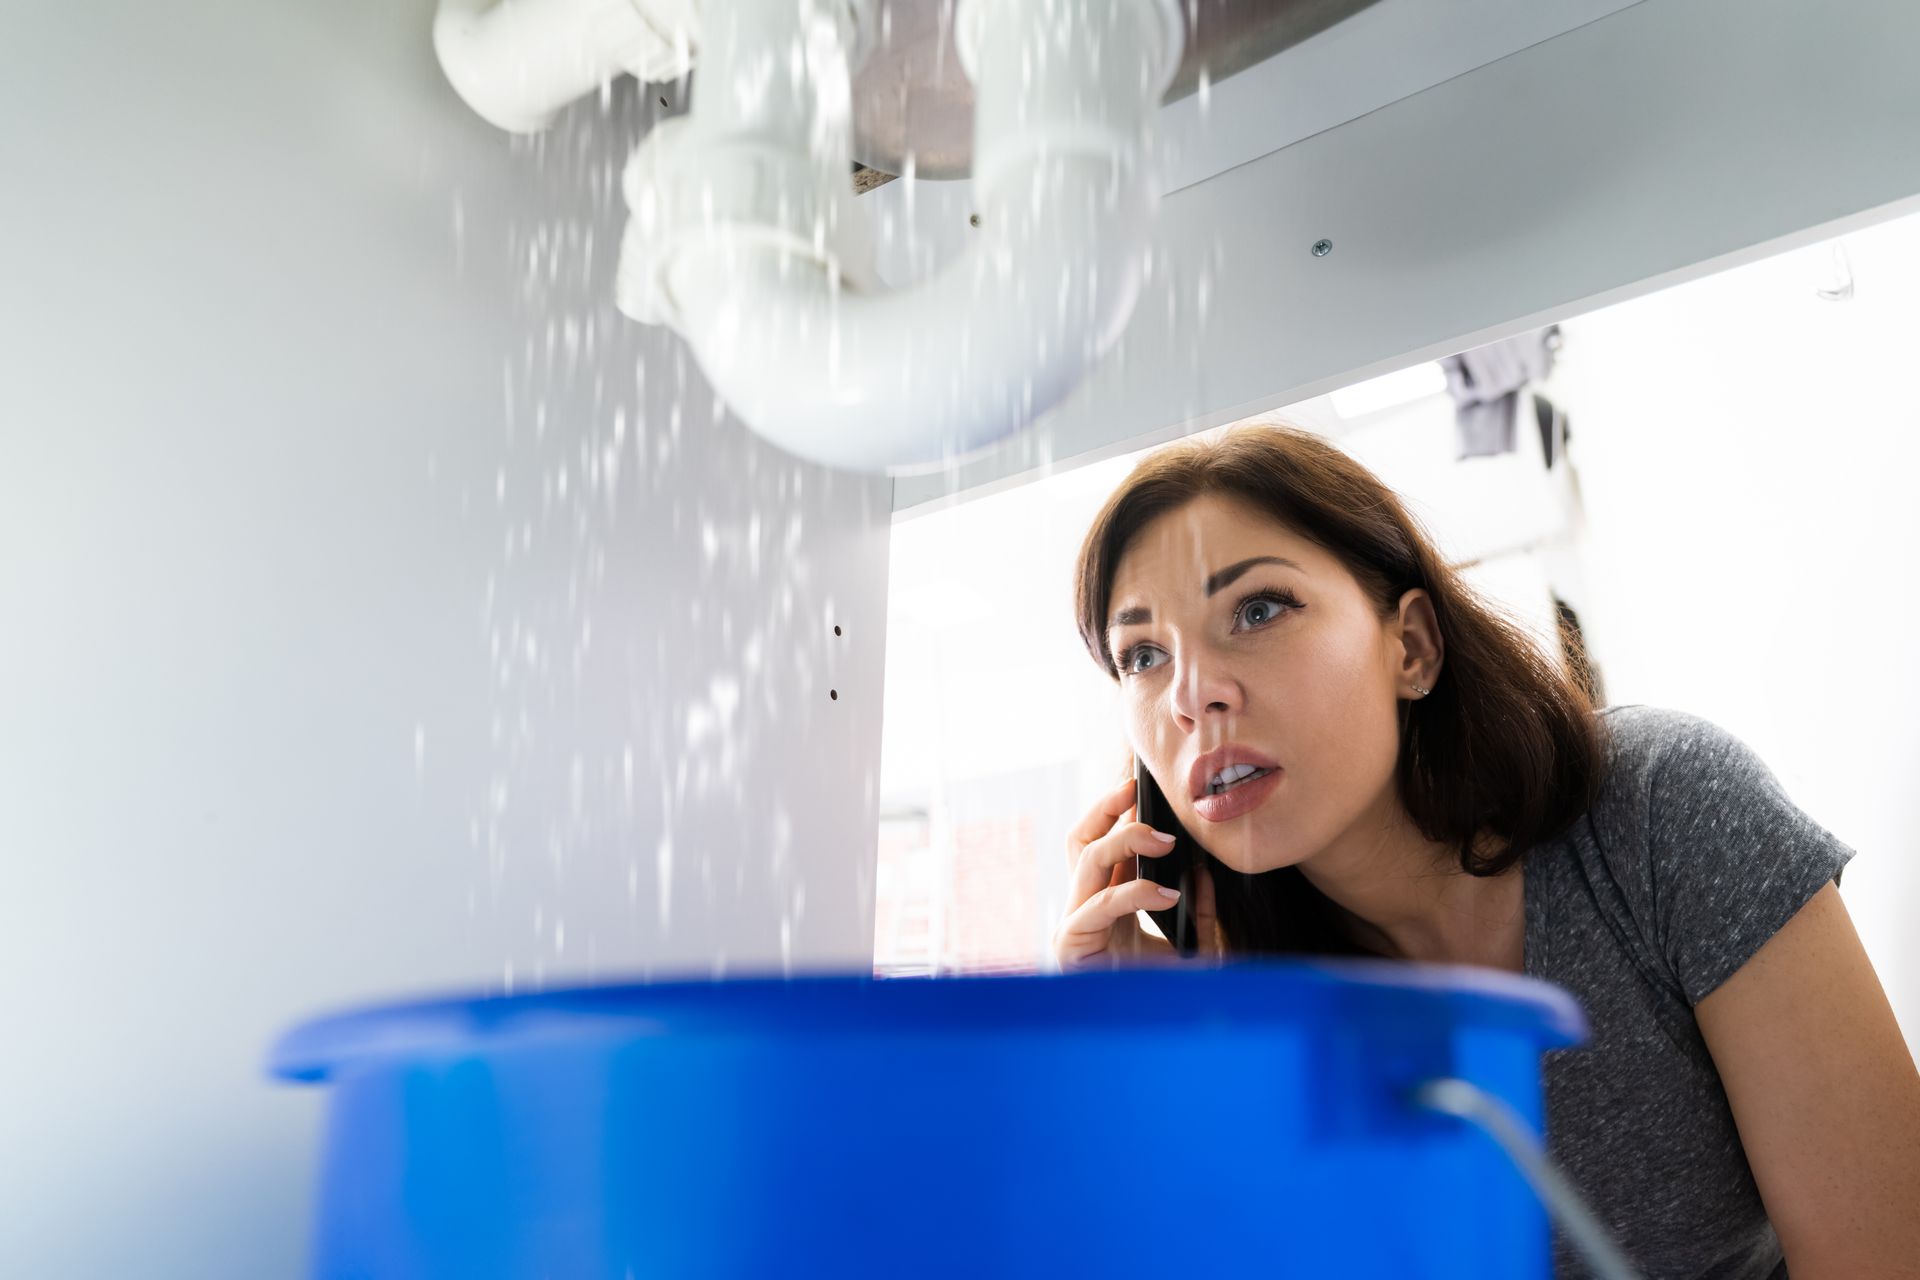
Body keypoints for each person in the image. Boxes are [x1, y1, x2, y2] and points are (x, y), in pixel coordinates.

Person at [1052, 425, 1920, 1278]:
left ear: (1413, 646)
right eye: (1143, 655)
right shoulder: (1255, 1009)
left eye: (1258, 608)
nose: (1193, 694)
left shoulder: (1662, 810)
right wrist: (1165, 1071)